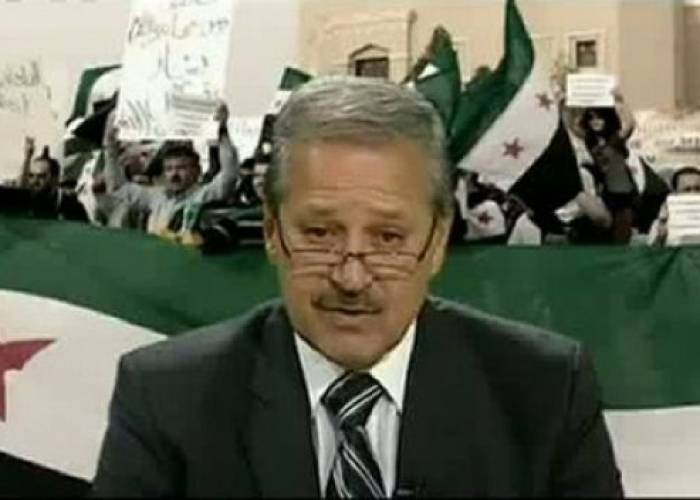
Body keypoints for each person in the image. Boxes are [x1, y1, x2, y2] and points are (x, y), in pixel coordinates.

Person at [92, 77, 623, 497]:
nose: (351, 277)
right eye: (319, 234)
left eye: (388, 238)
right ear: (273, 231)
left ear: (438, 241)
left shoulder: (545, 393)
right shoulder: (165, 399)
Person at [102, 102, 240, 236]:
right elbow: (118, 188)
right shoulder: (157, 197)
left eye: (181, 168)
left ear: (197, 170)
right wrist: (110, 143)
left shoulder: (204, 195)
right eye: (169, 169)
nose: (174, 174)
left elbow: (229, 175)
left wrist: (222, 131)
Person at [648, 165, 700, 245]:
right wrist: (660, 237)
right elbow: (652, 252)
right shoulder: (661, 223)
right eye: (687, 190)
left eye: (698, 189)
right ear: (675, 193)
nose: (693, 194)